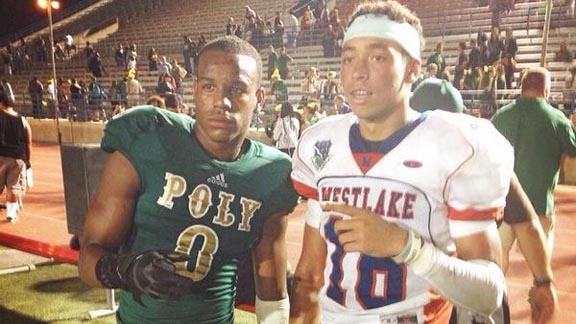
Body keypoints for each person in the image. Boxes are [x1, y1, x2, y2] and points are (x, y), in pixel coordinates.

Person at [289, 1, 513, 323]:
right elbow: (309, 276)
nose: (357, 71)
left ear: (413, 69)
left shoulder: (453, 145)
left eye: (377, 57)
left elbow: (488, 294)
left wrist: (405, 246)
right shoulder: (320, 142)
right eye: (348, 57)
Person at [78, 36, 299, 324]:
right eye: (209, 86)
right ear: (195, 91)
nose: (222, 102)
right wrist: (125, 270)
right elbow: (88, 257)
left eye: (238, 89)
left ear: (259, 98)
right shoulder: (150, 137)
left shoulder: (271, 172)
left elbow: (272, 290)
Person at [412, 77, 559, 324]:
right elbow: (527, 223)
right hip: (471, 291)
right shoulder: (476, 154)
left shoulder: (397, 157)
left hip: (432, 295)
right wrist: (543, 282)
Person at [492, 67, 576, 264]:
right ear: (545, 90)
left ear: (521, 88)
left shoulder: (501, 116)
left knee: (498, 255)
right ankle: (540, 288)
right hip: (539, 203)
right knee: (540, 258)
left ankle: (498, 294)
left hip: (504, 201)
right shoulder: (557, 119)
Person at [0, 81, 32, 222]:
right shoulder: (22, 120)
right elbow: (28, 142)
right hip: (17, 158)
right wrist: (28, 161)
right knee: (14, 186)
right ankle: (11, 214)